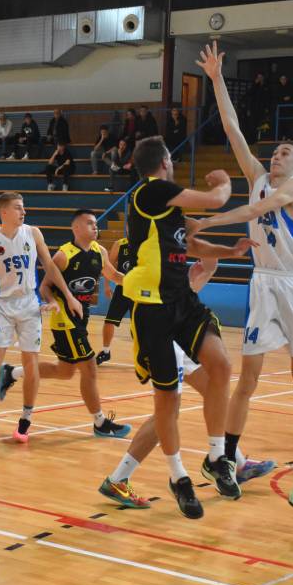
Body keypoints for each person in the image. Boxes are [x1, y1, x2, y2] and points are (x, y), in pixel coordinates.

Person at [192, 41, 293, 508]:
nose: (277, 156)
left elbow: (254, 211)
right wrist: (216, 79)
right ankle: (225, 459)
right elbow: (232, 127)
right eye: (277, 152)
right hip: (262, 283)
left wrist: (207, 222)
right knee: (247, 380)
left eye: (285, 153)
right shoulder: (258, 176)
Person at [121, 135, 245, 518]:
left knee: (221, 365)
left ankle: (217, 458)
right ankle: (178, 477)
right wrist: (224, 181)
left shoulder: (167, 209)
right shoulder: (151, 192)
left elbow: (192, 245)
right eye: (171, 161)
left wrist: (231, 251)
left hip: (182, 301)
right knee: (167, 399)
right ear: (164, 163)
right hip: (152, 307)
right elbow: (216, 200)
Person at [99, 255, 275, 509]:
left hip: (177, 329)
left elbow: (185, 288)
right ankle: (118, 479)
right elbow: (146, 287)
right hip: (162, 332)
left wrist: (205, 269)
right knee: (168, 412)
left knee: (213, 389)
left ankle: (233, 461)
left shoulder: (169, 250)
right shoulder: (151, 252)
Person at [0, 210, 131, 438]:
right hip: (65, 320)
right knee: (89, 367)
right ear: (76, 228)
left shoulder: (100, 252)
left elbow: (115, 275)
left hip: (82, 316)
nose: (95, 227)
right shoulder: (63, 255)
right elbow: (45, 286)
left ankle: (12, 372)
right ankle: (100, 423)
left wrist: (140, 283)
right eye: (89, 223)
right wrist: (53, 302)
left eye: (95, 223)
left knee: (65, 371)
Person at [0, 193, 83, 442]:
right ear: (4, 212)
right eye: (18, 208)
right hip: (3, 305)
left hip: (30, 305)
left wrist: (69, 296)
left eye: (23, 207)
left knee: (31, 364)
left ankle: (26, 419)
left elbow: (50, 266)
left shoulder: (33, 233)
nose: (24, 212)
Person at [96, 235, 133, 366]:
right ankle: (106, 351)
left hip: (139, 290)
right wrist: (106, 286)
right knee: (109, 321)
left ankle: (144, 353)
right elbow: (109, 265)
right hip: (122, 289)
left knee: (138, 326)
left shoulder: (146, 242)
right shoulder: (119, 244)